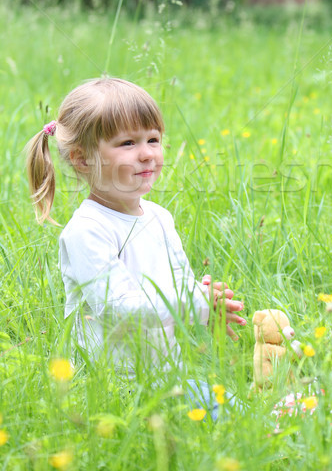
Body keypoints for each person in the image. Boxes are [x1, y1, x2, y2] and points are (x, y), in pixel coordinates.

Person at [26, 77, 246, 417]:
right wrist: (192, 303)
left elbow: (178, 284)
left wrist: (206, 301)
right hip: (111, 386)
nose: (147, 154)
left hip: (164, 376)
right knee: (229, 417)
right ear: (82, 159)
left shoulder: (159, 217)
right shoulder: (87, 231)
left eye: (153, 139)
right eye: (127, 143)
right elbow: (120, 307)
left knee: (240, 414)